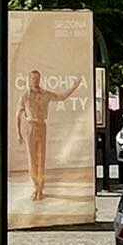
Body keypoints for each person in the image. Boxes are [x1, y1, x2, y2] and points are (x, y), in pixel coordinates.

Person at [15, 68, 83, 203]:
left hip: (42, 127)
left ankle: (40, 189)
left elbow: (62, 97)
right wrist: (18, 133)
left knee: (41, 159)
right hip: (30, 127)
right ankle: (35, 187)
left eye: (37, 78)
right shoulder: (25, 96)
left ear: (40, 79)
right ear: (29, 80)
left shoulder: (46, 94)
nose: (35, 81)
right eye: (33, 78)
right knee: (32, 160)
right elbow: (18, 115)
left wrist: (74, 86)